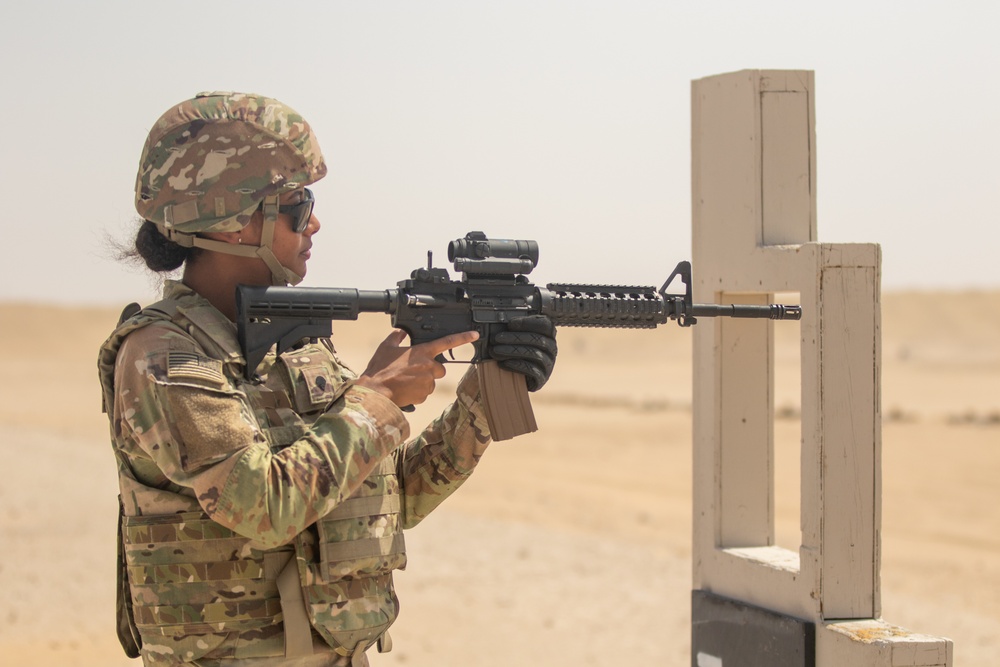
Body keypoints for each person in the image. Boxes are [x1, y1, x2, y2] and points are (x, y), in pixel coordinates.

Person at [98, 91, 557, 667]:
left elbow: (386, 503)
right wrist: (378, 397)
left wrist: (484, 401)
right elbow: (263, 505)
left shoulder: (296, 349)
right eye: (296, 205)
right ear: (233, 222)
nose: (313, 222)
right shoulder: (163, 357)